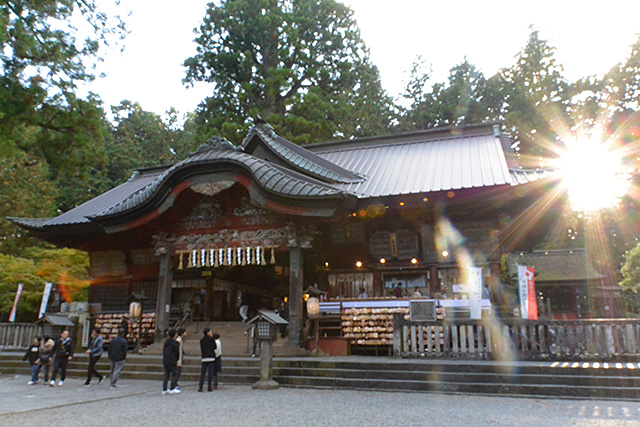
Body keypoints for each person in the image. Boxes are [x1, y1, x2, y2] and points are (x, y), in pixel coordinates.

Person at [162, 329, 180, 394]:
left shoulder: (166, 342)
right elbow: (177, 352)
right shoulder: (175, 343)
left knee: (166, 374)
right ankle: (172, 387)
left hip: (166, 360)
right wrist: (177, 359)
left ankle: (164, 389)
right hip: (172, 360)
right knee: (175, 373)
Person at [198, 328, 216, 392]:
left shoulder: (202, 340)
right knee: (210, 373)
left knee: (203, 373)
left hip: (204, 357)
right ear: (208, 333)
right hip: (211, 357)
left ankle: (200, 387)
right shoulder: (211, 339)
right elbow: (215, 347)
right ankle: (209, 387)